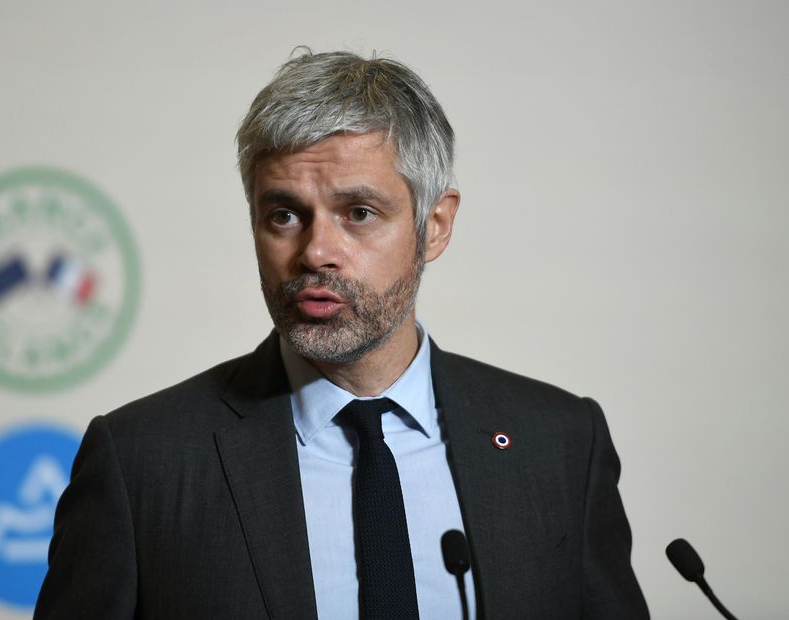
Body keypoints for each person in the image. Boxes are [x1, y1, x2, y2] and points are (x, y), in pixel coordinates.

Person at [34, 50, 649, 620]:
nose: (316, 252)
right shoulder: (143, 460)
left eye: (359, 213)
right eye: (283, 215)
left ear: (434, 226)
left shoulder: (562, 443)